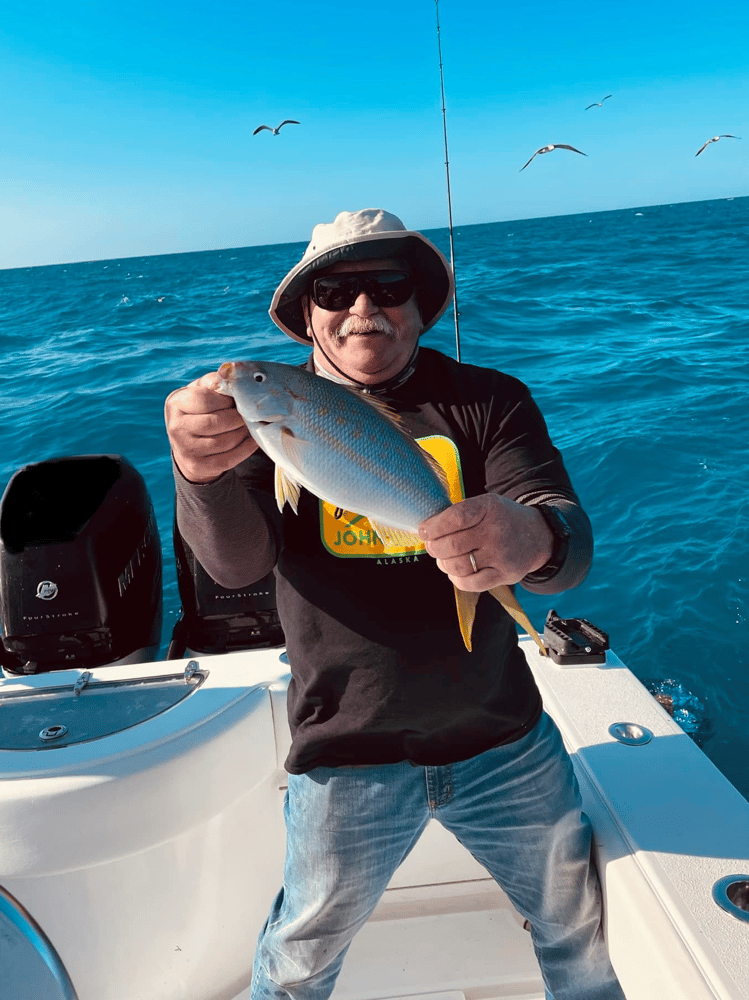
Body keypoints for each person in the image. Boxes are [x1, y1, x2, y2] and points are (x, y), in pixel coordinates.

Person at [164, 208, 625, 1000]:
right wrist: (197, 473)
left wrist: (532, 538)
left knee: (573, 931)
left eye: (388, 286)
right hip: (345, 753)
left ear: (420, 306)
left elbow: (567, 545)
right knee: (299, 957)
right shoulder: (265, 423)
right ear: (305, 316)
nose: (361, 309)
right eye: (336, 290)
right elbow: (237, 564)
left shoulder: (489, 401)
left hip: (504, 740)